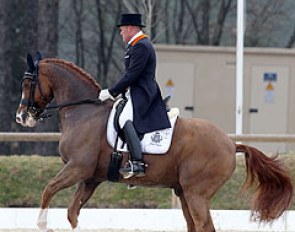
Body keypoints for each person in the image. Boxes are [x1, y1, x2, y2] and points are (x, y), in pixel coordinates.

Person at [98, 13, 171, 179]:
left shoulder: (142, 46)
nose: (121, 33)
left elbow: (132, 75)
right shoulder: (135, 46)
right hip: (135, 92)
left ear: (130, 28)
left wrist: (111, 91)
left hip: (143, 93)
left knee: (124, 119)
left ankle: (137, 163)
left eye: (122, 29)